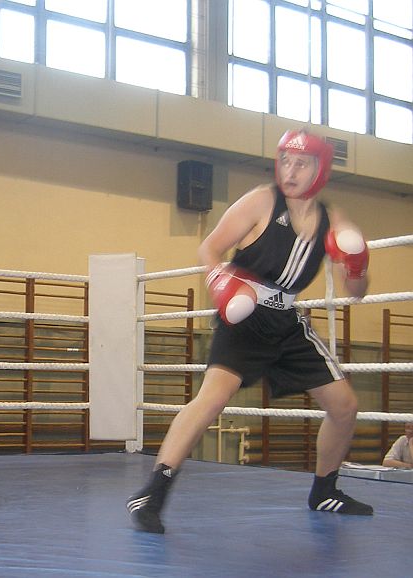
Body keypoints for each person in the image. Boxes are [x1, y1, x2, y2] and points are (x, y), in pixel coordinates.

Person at [127, 129, 374, 534]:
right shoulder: (262, 200)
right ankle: (152, 493)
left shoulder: (333, 220)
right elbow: (209, 248)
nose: (290, 171)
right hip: (243, 314)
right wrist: (219, 280)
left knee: (345, 406)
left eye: (301, 163)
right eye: (286, 161)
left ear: (320, 168)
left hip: (287, 321)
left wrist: (357, 264)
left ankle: (324, 491)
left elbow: (356, 293)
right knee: (212, 399)